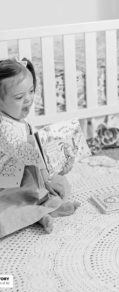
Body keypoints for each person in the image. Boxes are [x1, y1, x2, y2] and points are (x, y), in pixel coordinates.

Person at [0, 57, 80, 238]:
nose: (28, 99)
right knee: (7, 211)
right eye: (20, 97)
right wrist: (47, 175)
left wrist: (61, 162)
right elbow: (30, 154)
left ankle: (42, 210)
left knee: (60, 184)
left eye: (31, 91)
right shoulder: (4, 128)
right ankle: (40, 212)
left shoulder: (17, 119)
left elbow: (38, 147)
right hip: (5, 186)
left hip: (24, 177)